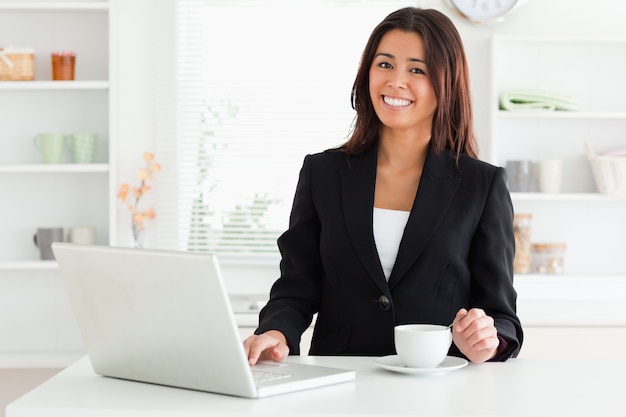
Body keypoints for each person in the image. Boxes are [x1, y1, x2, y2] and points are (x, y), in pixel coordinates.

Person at [243, 7, 523, 365]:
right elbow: (296, 289)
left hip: (440, 387)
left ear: (446, 82)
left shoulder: (481, 185)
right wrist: (275, 333)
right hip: (341, 383)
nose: (395, 81)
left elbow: (503, 318)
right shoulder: (323, 173)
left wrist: (488, 341)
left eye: (417, 70)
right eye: (385, 64)